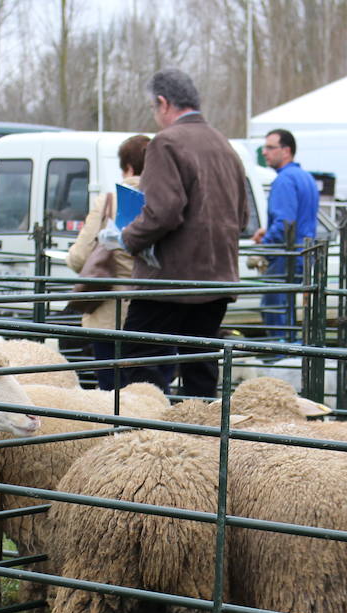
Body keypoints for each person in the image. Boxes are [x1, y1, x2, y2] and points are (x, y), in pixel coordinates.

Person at [118, 68, 248, 398]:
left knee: (140, 363)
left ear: (163, 103)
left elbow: (163, 211)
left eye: (152, 107)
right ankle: (203, 442)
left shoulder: (166, 143)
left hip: (169, 279)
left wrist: (127, 238)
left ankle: (146, 440)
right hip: (217, 278)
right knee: (201, 366)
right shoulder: (223, 144)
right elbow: (242, 215)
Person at [67, 133, 150, 390]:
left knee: (111, 390)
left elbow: (79, 257)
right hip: (154, 309)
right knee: (149, 389)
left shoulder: (109, 202)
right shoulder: (165, 202)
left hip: (109, 314)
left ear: (127, 166)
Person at [251, 128, 318, 341]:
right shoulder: (305, 178)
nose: (265, 152)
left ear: (286, 151)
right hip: (303, 252)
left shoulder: (284, 180)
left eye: (270, 147)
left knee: (275, 308)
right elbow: (295, 219)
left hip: (286, 255)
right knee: (286, 307)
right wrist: (269, 231)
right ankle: (293, 353)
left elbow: (285, 223)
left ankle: (281, 356)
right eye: (264, 148)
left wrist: (264, 248)